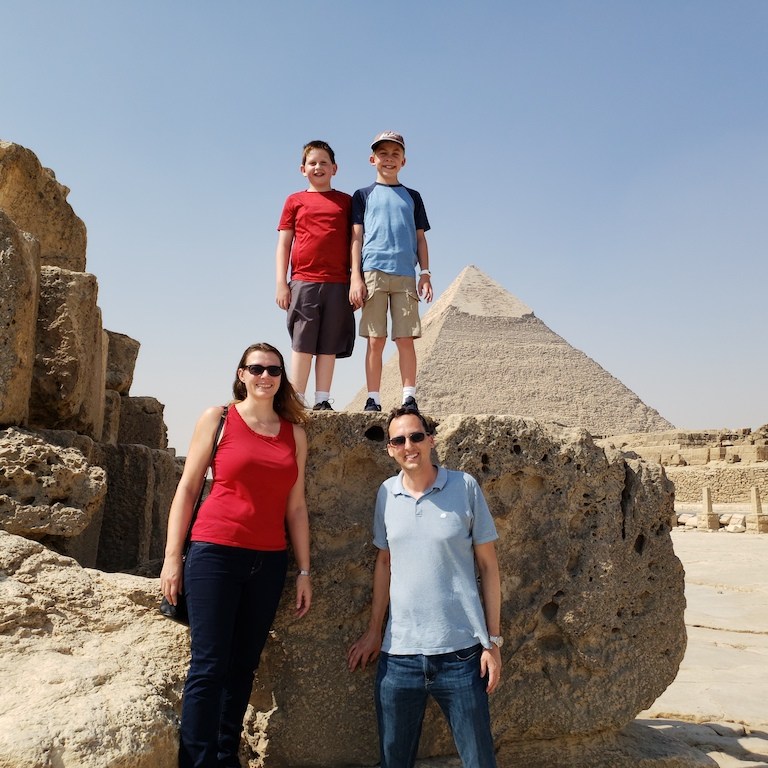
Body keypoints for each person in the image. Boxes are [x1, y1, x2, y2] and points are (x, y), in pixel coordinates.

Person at [160, 342, 311, 767]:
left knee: (243, 666)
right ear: (241, 374)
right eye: (257, 368)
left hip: (268, 561)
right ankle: (196, 761)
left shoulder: (294, 433)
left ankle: (225, 757)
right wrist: (174, 558)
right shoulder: (218, 418)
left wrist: (304, 570)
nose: (266, 376)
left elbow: (295, 506)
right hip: (214, 554)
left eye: (275, 370)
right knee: (208, 666)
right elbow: (187, 489)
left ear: (282, 378)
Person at [348, 406, 502, 768]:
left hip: (462, 656)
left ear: (431, 440)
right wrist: (374, 632)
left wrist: (493, 643)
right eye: (399, 440)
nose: (408, 445)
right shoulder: (385, 494)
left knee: (480, 762)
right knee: (393, 762)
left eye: (416, 436)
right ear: (389, 448)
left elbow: (489, 567)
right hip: (398, 656)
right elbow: (384, 563)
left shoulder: (464, 486)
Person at [348, 131, 433, 413]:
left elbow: (420, 238)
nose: (389, 159)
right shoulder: (362, 196)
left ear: (404, 161)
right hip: (372, 271)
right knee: (375, 339)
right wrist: (355, 277)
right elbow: (356, 238)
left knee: (405, 339)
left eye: (395, 154)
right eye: (383, 154)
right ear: (372, 159)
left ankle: (409, 396)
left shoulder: (413, 197)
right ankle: (373, 397)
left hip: (405, 274)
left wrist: (426, 273)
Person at [276, 139, 354, 411]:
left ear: (335, 168)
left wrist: (356, 279)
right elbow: (284, 244)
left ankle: (322, 399)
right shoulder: (294, 201)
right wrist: (281, 283)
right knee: (303, 341)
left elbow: (356, 242)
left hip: (338, 281)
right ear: (302, 169)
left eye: (323, 162)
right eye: (312, 163)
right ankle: (296, 399)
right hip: (303, 280)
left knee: (329, 343)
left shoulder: (347, 202)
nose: (318, 167)